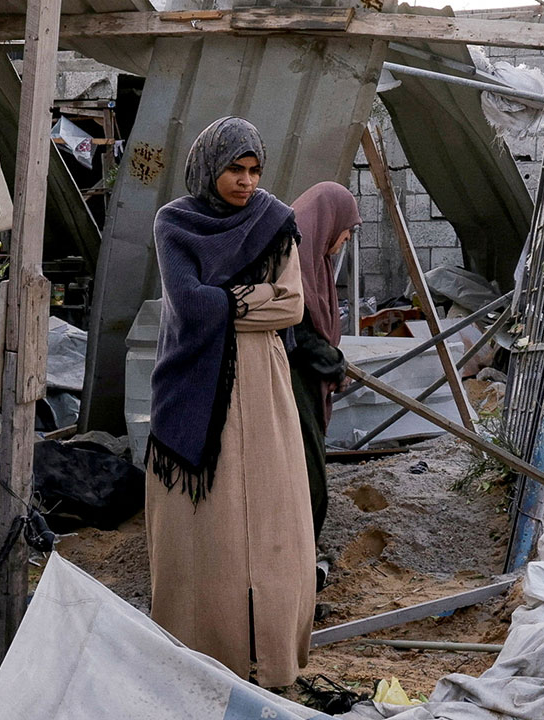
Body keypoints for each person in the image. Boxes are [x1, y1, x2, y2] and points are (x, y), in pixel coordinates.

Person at [145, 116, 315, 688]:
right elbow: (187, 305)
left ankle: (270, 657)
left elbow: (292, 307)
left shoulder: (274, 221)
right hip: (194, 382)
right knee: (205, 532)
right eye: (233, 170)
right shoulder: (175, 222)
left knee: (271, 520)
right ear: (208, 168)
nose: (245, 182)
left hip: (263, 387)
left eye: (253, 170)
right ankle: (200, 656)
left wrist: (226, 300)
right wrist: (253, 299)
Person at [289, 182, 361, 543]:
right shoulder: (293, 258)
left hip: (305, 380)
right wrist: (335, 364)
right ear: (329, 220)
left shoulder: (315, 262)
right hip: (291, 384)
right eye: (347, 227)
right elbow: (297, 330)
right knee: (308, 478)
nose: (346, 236)